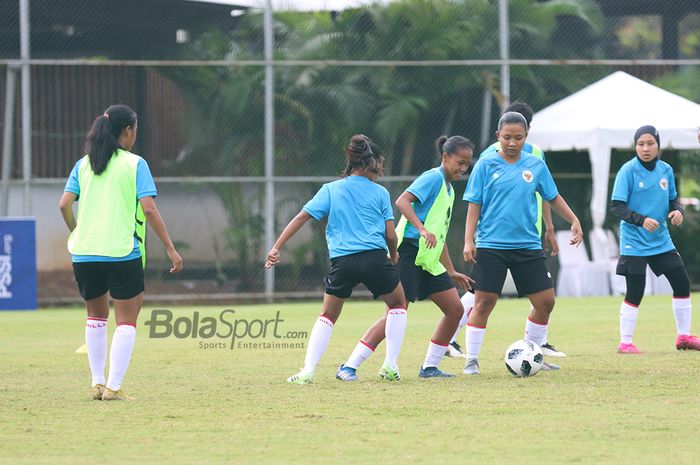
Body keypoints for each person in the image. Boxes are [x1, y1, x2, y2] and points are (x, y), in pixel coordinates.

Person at [59, 104, 183, 400]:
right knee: (126, 321)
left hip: (85, 254)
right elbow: (149, 210)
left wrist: (77, 231)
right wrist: (170, 248)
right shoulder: (135, 164)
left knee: (96, 317)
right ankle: (113, 387)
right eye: (134, 131)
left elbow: (64, 204)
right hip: (122, 252)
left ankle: (97, 382)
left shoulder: (83, 165)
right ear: (127, 131)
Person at [265, 135, 407, 384]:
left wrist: (276, 247)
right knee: (397, 304)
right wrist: (393, 254)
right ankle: (390, 365)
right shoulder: (381, 193)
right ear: (371, 163)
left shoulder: (331, 189)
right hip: (375, 259)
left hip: (343, 262)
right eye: (380, 164)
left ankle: (307, 371)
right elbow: (390, 234)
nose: (381, 170)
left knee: (328, 315)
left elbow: (301, 217)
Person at [335, 135, 474, 380]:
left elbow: (437, 235)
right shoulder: (432, 178)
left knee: (455, 310)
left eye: (466, 165)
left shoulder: (449, 189)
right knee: (397, 311)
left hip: (428, 260)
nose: (463, 169)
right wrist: (420, 228)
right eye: (459, 163)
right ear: (445, 157)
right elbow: (402, 201)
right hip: (408, 252)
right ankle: (349, 366)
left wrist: (450, 271)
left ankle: (429, 367)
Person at [462, 111, 583, 375]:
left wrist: (573, 219)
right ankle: (471, 360)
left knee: (545, 302)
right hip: (491, 245)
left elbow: (552, 196)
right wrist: (468, 240)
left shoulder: (535, 165)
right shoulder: (485, 164)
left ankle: (535, 354)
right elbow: (474, 203)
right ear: (498, 137)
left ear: (526, 136)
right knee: (483, 302)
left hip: (527, 245)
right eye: (507, 137)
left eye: (518, 137)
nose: (512, 142)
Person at [610, 125, 699, 353]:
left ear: (658, 145)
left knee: (681, 283)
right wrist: (641, 220)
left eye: (650, 144)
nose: (646, 148)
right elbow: (617, 206)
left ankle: (684, 337)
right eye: (641, 144)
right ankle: (625, 342)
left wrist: (677, 211)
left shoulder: (666, 170)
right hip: (634, 242)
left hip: (661, 241)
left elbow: (673, 200)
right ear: (635, 146)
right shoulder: (627, 171)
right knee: (636, 291)